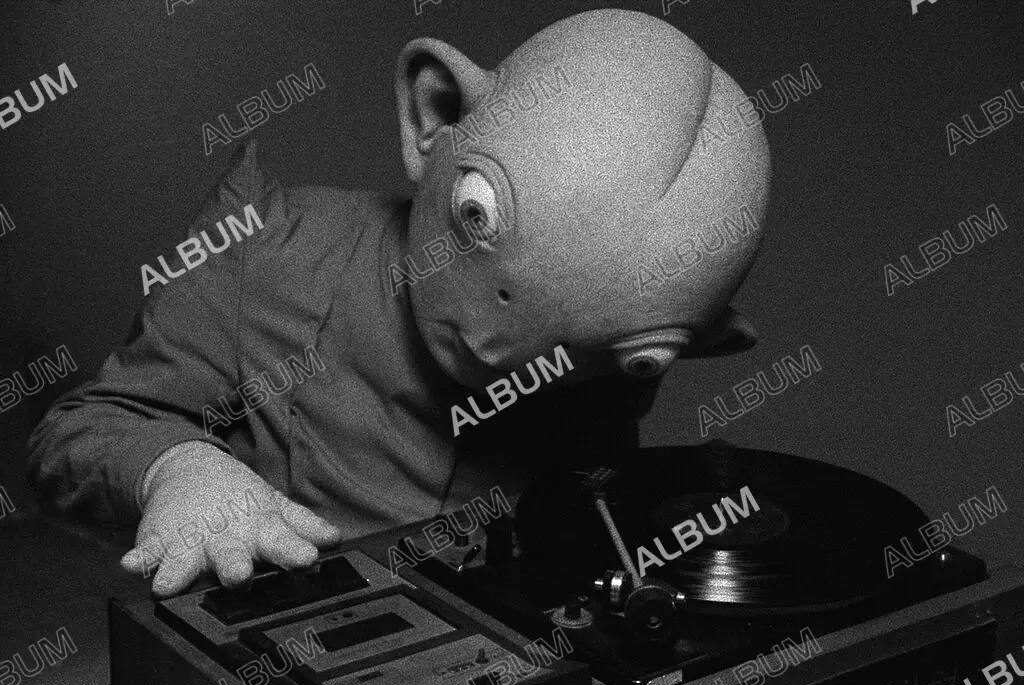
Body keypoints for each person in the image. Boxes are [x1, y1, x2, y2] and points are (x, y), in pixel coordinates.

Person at [27, 9, 770, 597]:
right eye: (477, 219)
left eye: (633, 354)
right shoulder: (266, 251)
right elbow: (79, 431)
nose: (494, 349)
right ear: (432, 115)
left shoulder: (614, 366)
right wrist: (177, 468)